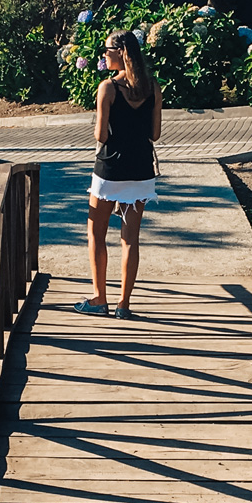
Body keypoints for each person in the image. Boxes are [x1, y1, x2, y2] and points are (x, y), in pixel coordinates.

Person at [73, 30, 163, 319]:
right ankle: (124, 304)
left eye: (107, 49)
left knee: (96, 233)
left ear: (121, 52)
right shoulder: (153, 87)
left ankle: (100, 298)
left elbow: (101, 135)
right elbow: (155, 134)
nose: (104, 54)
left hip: (110, 170)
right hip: (140, 171)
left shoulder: (108, 88)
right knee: (130, 239)